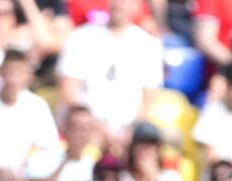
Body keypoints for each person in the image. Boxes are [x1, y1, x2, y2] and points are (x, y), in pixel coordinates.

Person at [56, 0, 163, 143]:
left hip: (128, 134)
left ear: (138, 6)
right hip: (84, 131)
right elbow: (68, 93)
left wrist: (130, 132)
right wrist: (98, 128)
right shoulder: (81, 37)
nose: (120, 4)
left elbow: (148, 99)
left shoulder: (150, 45)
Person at [0, 49, 61, 181]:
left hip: (23, 179)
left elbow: (48, 147)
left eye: (18, 72)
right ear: (0, 73)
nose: (12, 79)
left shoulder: (37, 105)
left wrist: (25, 172)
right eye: (9, 72)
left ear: (28, 76)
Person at [122, 120, 186, 181]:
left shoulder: (172, 177)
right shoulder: (124, 179)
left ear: (159, 149)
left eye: (151, 144)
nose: (146, 150)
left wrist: (154, 179)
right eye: (141, 144)